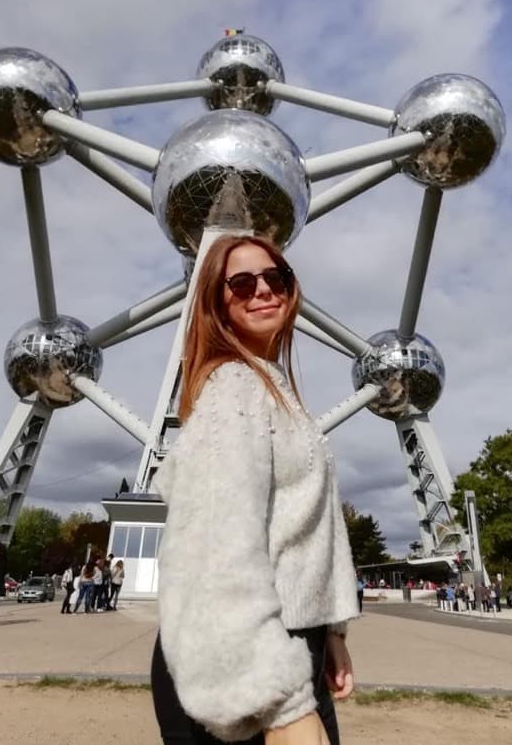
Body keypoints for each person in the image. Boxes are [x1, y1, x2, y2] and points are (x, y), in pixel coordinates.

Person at [150, 235, 359, 745]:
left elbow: (305, 531)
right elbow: (214, 550)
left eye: (276, 278)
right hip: (245, 660)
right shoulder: (235, 389)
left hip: (287, 646)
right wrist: (278, 698)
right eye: (241, 283)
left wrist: (330, 633)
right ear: (216, 303)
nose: (262, 290)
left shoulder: (273, 387)